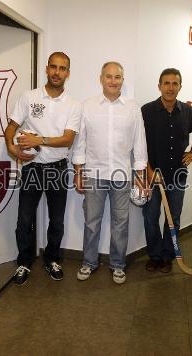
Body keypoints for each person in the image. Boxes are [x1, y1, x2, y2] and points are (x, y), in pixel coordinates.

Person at [4, 52, 82, 286]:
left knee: (56, 221)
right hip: (32, 168)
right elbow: (11, 127)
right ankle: (24, 262)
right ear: (47, 69)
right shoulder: (29, 97)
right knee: (23, 220)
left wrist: (40, 141)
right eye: (54, 67)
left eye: (63, 68)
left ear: (68, 73)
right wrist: (11, 147)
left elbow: (68, 139)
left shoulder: (73, 105)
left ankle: (52, 259)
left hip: (58, 168)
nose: (57, 72)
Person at [72, 62, 147, 284]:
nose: (113, 81)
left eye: (118, 77)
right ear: (101, 78)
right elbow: (80, 143)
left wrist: (141, 176)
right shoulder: (88, 106)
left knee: (120, 223)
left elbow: (140, 144)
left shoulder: (133, 108)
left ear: (123, 80)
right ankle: (88, 262)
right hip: (94, 174)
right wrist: (78, 172)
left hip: (122, 176)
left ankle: (117, 264)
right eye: (109, 76)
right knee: (91, 222)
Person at [141, 68, 192, 273]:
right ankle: (154, 255)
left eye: (174, 83)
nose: (170, 87)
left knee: (173, 219)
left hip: (177, 175)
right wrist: (148, 170)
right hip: (153, 175)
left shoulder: (188, 111)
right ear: (159, 86)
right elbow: (138, 143)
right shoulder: (146, 111)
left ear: (179, 87)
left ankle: (168, 256)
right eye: (166, 83)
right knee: (150, 218)